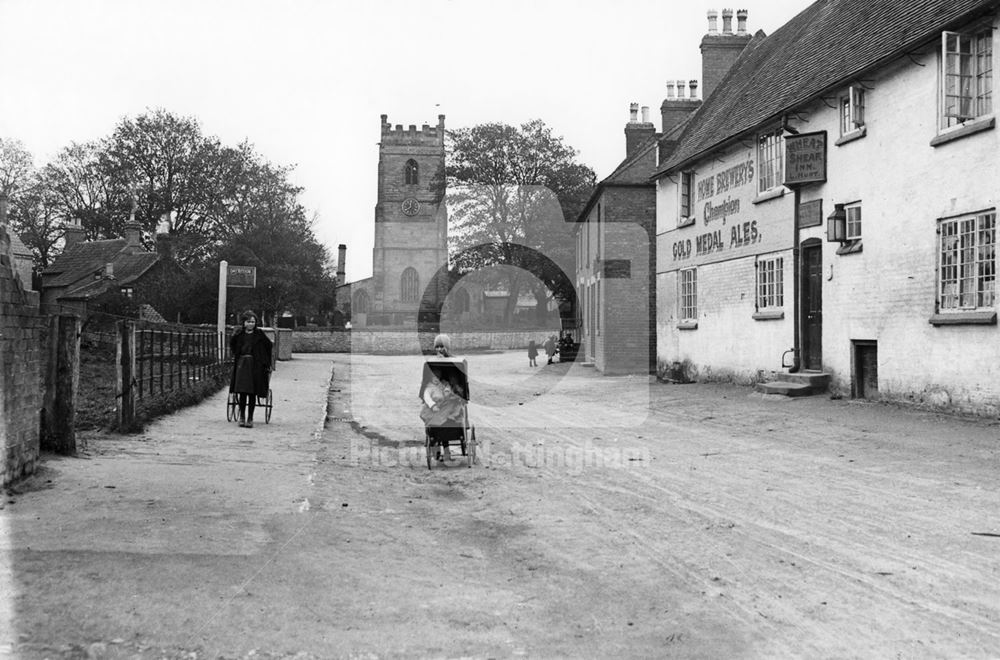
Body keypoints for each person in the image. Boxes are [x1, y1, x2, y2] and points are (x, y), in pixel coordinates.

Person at [419, 334, 465, 461]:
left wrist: (455, 392)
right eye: (437, 347)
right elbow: (427, 388)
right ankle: (436, 448)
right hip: (436, 403)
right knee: (434, 423)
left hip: (449, 399)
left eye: (442, 346)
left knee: (449, 421)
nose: (439, 349)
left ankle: (447, 451)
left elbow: (456, 382)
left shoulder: (454, 362)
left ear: (447, 347)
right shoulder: (433, 363)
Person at [229, 310, 273, 428]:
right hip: (242, 364)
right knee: (242, 392)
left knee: (252, 392)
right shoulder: (239, 335)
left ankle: (250, 418)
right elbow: (232, 345)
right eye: (248, 322)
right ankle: (242, 417)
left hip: (255, 365)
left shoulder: (259, 335)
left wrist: (265, 361)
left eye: (253, 322)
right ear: (244, 323)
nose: (251, 324)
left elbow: (269, 346)